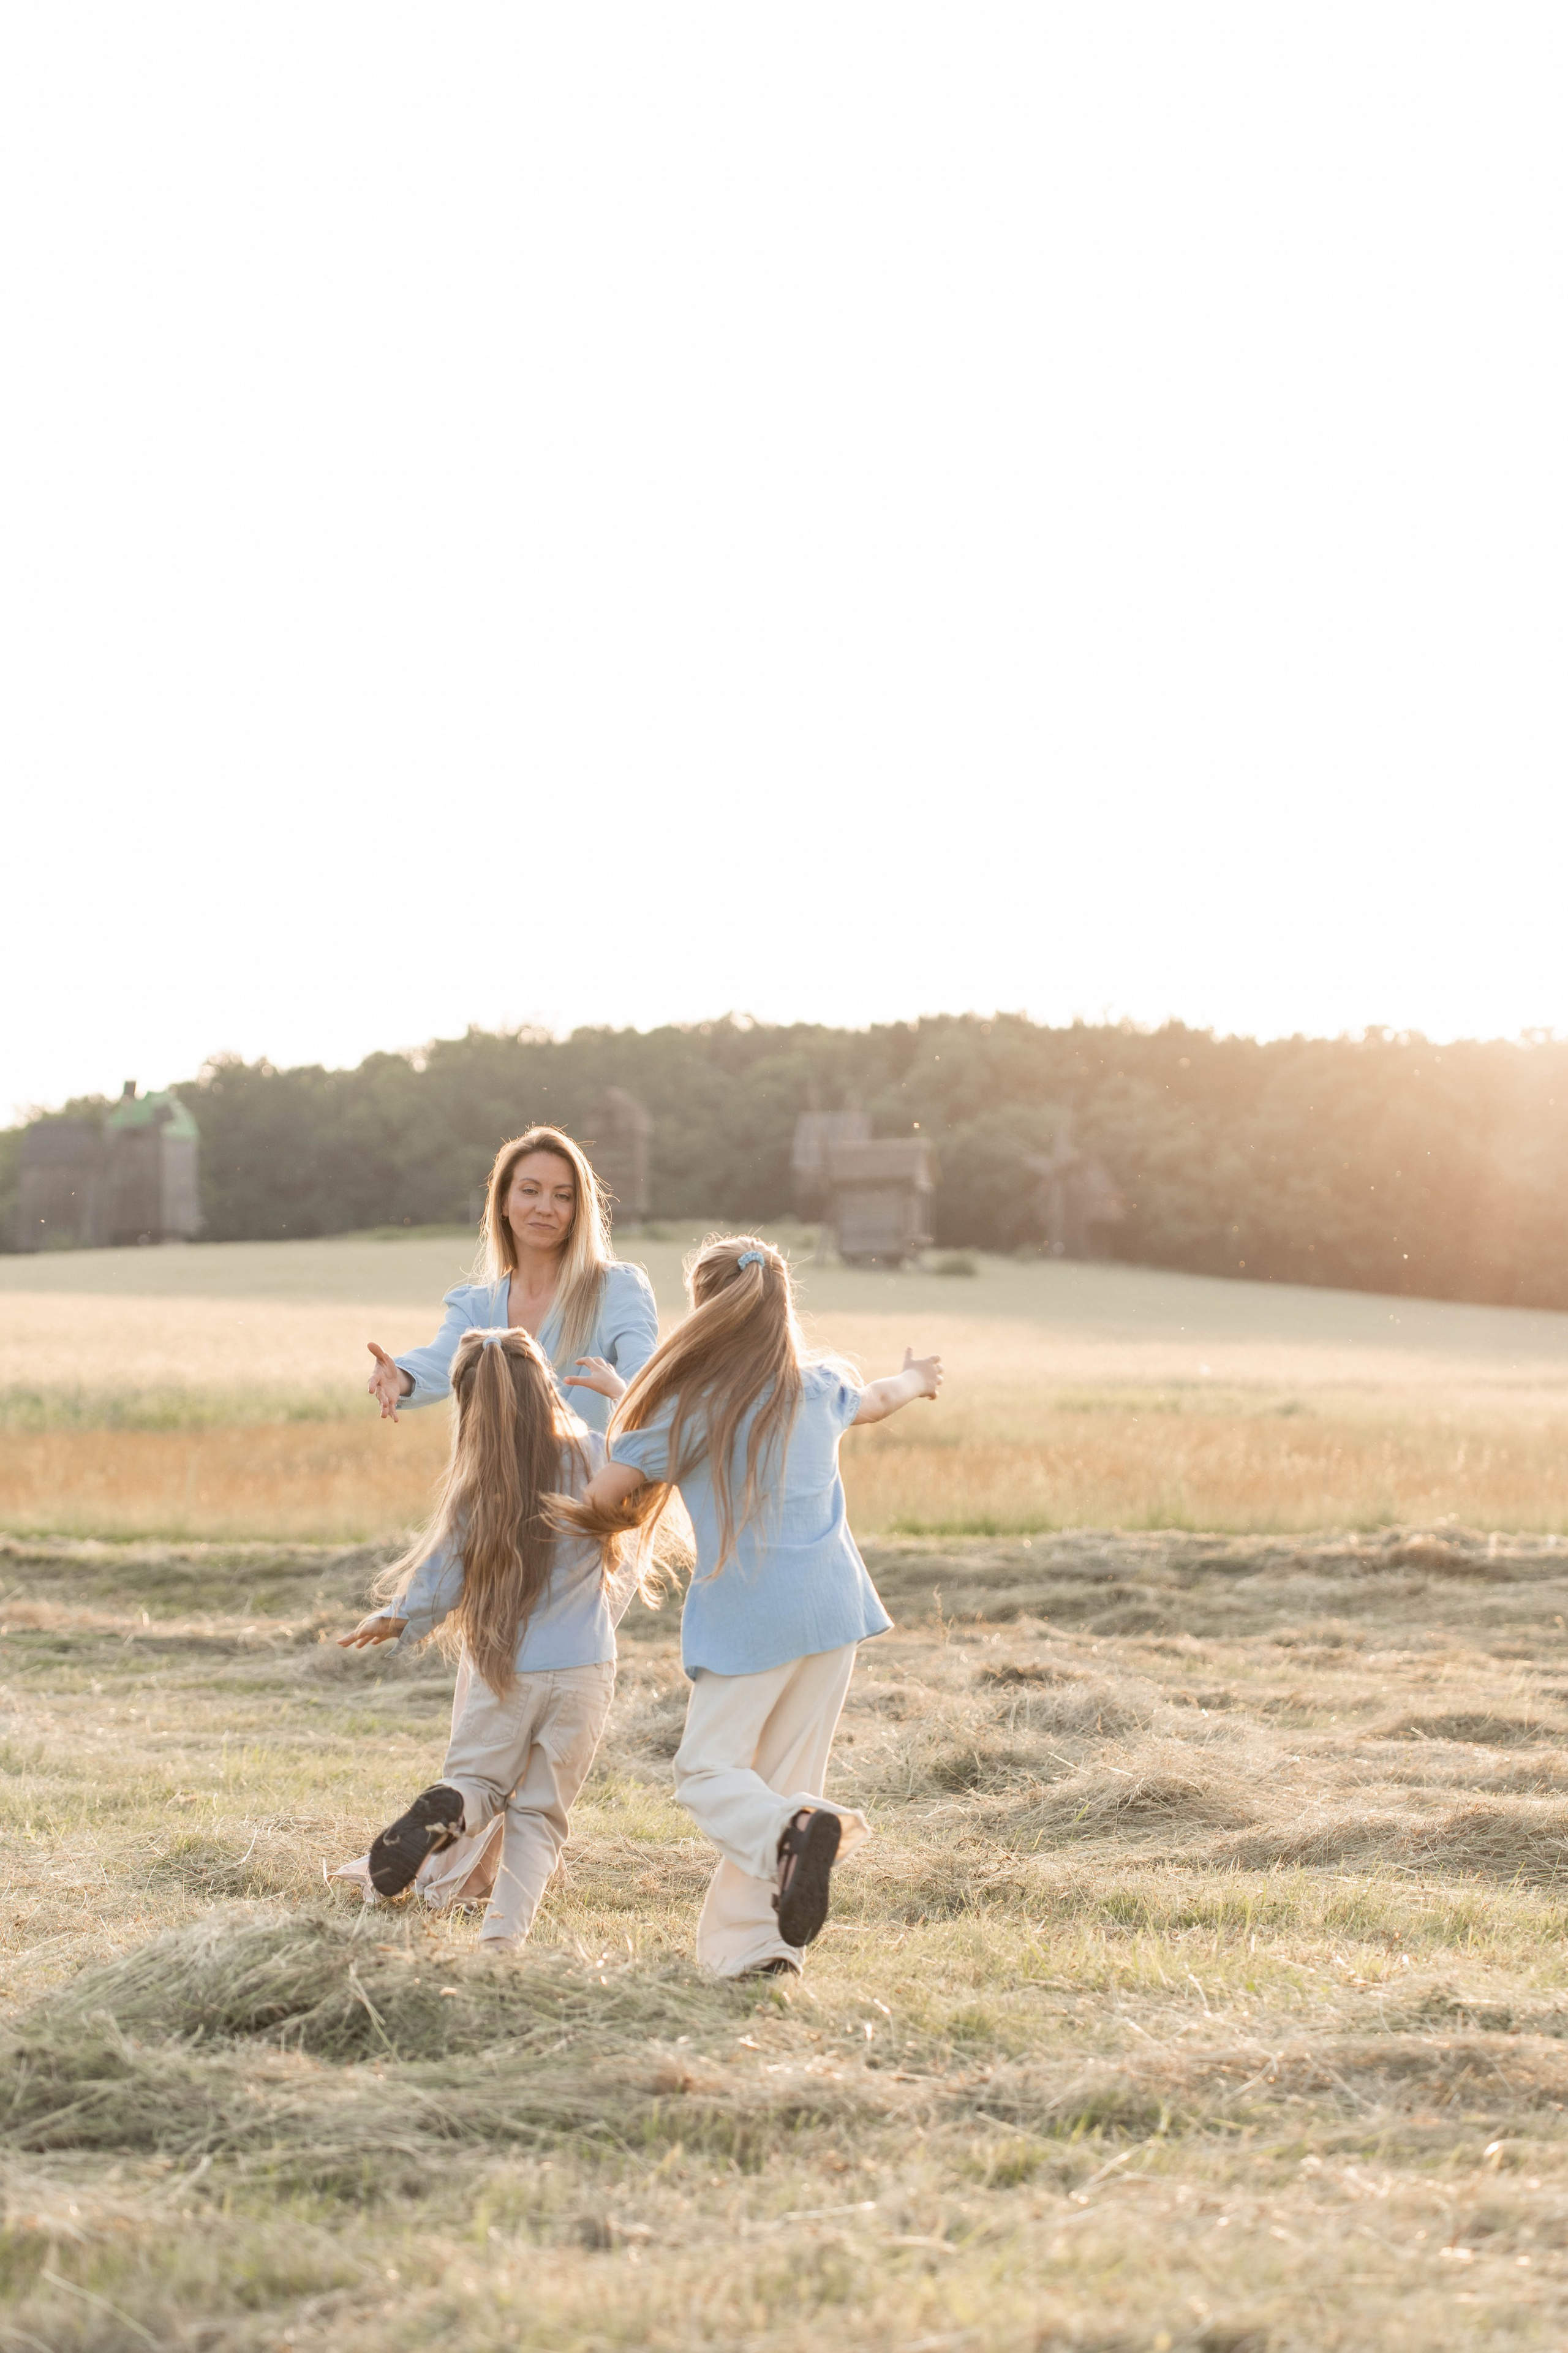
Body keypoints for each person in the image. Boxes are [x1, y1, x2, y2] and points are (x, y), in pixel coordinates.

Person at [557, 1234, 941, 1979]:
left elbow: (608, 1495)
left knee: (709, 1775)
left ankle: (796, 1834)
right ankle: (760, 1950)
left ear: (703, 1311)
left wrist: (620, 1426)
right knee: (784, 1779)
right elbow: (884, 1398)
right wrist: (916, 1376)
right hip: (832, 1612)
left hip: (750, 1617)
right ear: (781, 1306)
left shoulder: (683, 1409)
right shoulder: (823, 1384)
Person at [337, 1324, 654, 1949]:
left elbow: (442, 1574)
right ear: (543, 1387)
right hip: (585, 1668)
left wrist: (398, 1614)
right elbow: (651, 1451)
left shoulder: (481, 1487)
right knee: (539, 1814)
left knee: (478, 1786)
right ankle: (502, 1942)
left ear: (467, 1401)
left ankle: (445, 1811)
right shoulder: (594, 1454)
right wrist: (622, 1395)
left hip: (505, 1666)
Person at [364, 1127, 658, 1438]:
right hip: (498, 1486)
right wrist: (402, 1376)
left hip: (595, 1485)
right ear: (503, 1203)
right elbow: (442, 1360)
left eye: (562, 1196)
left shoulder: (615, 1289)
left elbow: (644, 1371)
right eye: (530, 1191)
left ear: (578, 1210)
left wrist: (627, 1393)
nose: (545, 1208)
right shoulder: (475, 1306)